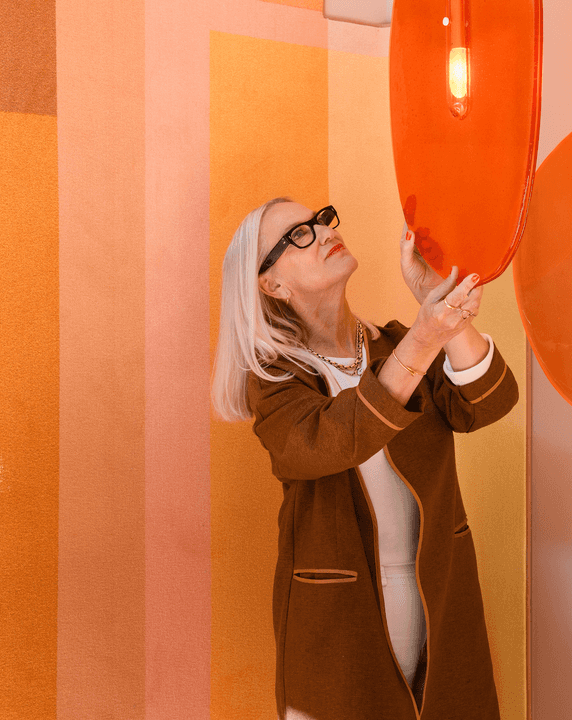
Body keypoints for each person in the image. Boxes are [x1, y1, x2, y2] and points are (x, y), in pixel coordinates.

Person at [211, 197, 518, 719]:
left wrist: (444, 311)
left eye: (320, 219)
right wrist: (425, 338)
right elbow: (330, 440)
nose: (322, 231)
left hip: (439, 599)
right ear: (272, 284)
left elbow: (489, 402)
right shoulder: (276, 381)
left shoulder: (394, 344)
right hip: (337, 621)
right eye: (298, 235)